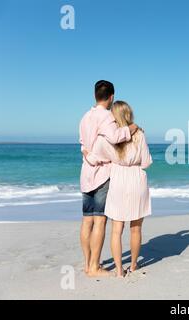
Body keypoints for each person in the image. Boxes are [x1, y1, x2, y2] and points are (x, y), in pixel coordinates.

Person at [83, 101, 152, 277]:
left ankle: (119, 270)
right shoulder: (139, 134)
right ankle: (134, 265)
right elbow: (146, 162)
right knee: (136, 228)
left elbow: (93, 159)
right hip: (137, 179)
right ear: (129, 114)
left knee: (116, 229)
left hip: (118, 180)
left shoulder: (107, 138)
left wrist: (85, 152)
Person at [79, 81, 139, 277]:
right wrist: (131, 128)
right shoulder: (107, 117)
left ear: (95, 95)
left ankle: (87, 264)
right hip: (101, 174)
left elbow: (83, 144)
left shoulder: (85, 117)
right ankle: (95, 267)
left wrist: (88, 155)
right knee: (99, 220)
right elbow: (114, 137)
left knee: (86, 221)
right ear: (111, 97)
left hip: (86, 173)